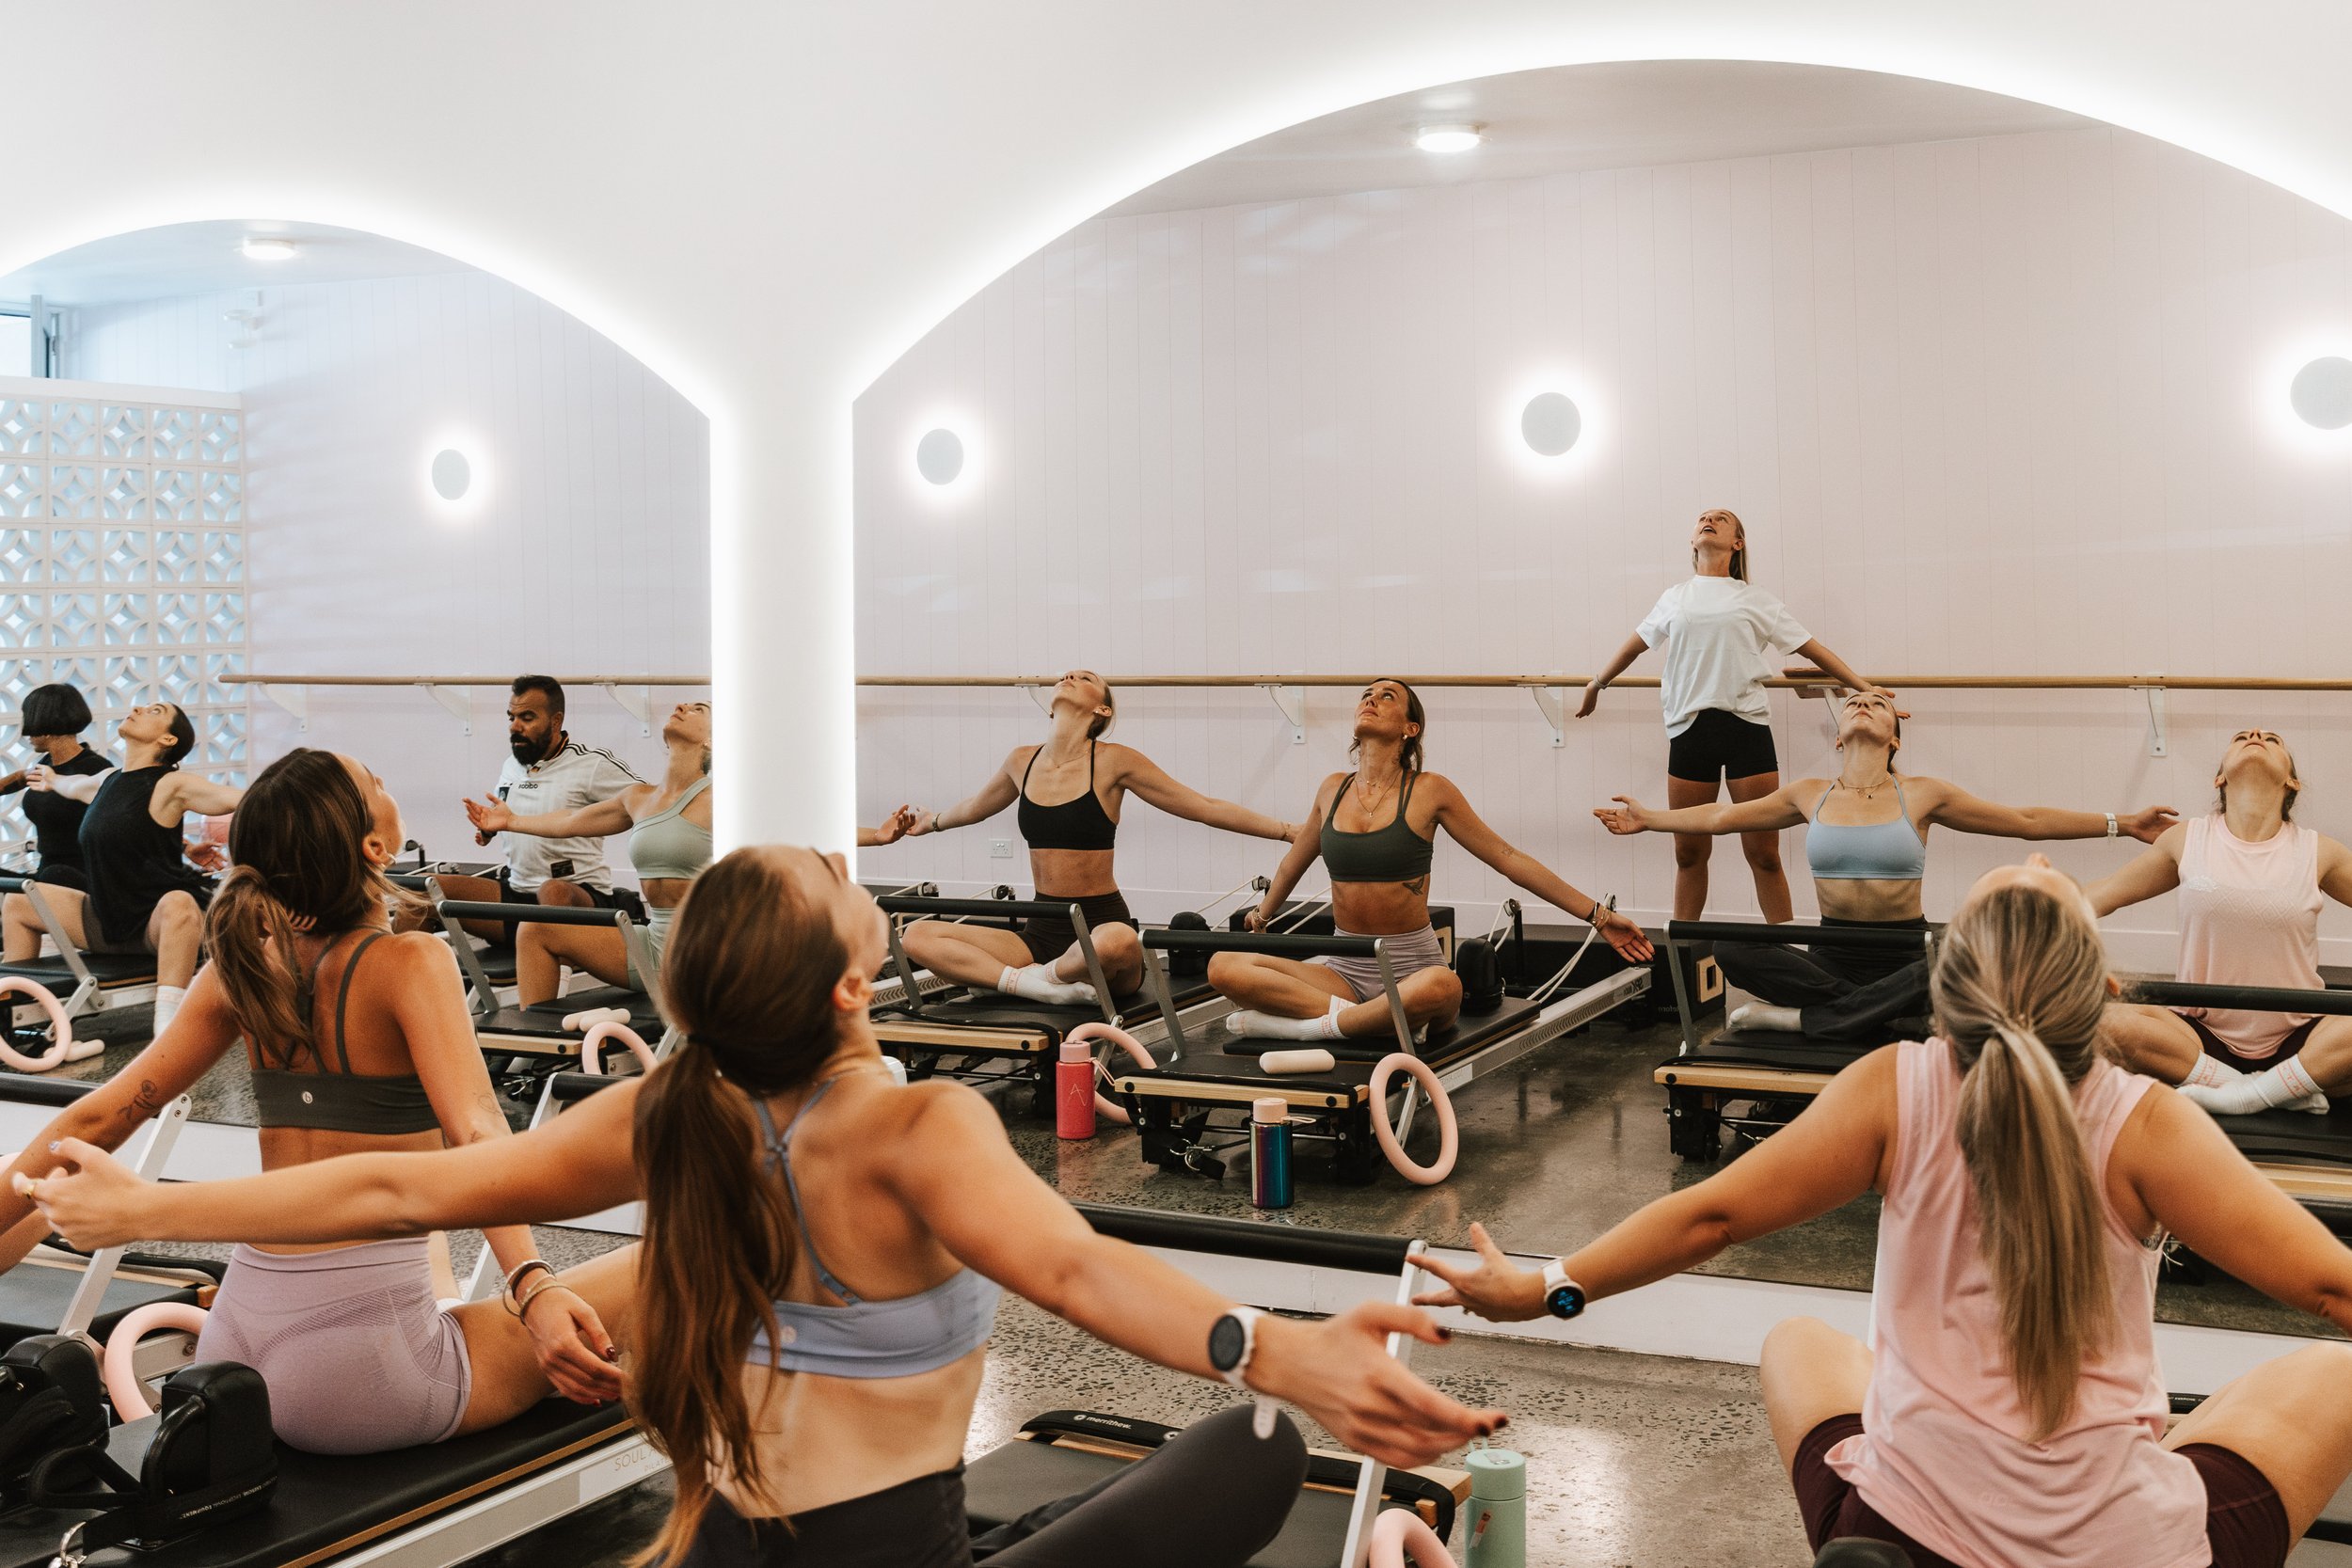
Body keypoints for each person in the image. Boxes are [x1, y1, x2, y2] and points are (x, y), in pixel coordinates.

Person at [18, 844, 1502, 1566]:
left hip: (723, 1542)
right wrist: (1279, 1349)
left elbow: (408, 1180)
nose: (850, 874)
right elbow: (1073, 1263)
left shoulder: (677, 1106)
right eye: (836, 885)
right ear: (855, 985)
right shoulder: (916, 1126)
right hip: (884, 1554)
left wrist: (145, 1207)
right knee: (1261, 1451)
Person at [1414, 855, 2352, 1568]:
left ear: (1943, 994)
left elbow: (1710, 1218)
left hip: (1906, 1532)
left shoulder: (1893, 1087)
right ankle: (2132, 1465)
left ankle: (1919, 1485)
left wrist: (1544, 1288)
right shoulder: (2147, 1122)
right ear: (2105, 993)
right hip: (2122, 1545)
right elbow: (2330, 1287)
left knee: (1797, 1341)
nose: (2034, 860)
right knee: (2329, 1374)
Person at [0, 747, 628, 1453]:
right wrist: (534, 1285)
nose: (386, 782)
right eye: (376, 781)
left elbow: (97, 1114)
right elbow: (480, 1137)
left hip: (238, 1339)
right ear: (375, 847)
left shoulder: (240, 968)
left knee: (425, 1233)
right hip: (362, 1372)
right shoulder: (411, 961)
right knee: (669, 1265)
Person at [1596, 689, 2173, 1044]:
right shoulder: (1809, 793)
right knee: (1732, 947)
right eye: (1854, 702)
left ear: (1894, 738)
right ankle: (1880, 1015)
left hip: (1906, 954)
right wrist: (1650, 819)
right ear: (1839, 735)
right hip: (1832, 953)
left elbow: (2024, 819)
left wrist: (2123, 822)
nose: (1863, 705)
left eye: (1878, 703)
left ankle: (1808, 1020)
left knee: (1966, 954)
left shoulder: (1922, 794)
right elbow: (1722, 817)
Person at [1213, 679, 1652, 1042]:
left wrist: (1598, 916)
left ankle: (1312, 1027)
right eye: (1367, 694)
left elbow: (1507, 857)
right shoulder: (1332, 789)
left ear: (1410, 728)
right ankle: (1373, 1024)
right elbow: (1293, 863)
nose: (1371, 699)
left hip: (1412, 970)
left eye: (1387, 696)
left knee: (1444, 985)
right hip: (1345, 968)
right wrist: (1262, 915)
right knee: (1224, 965)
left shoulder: (1429, 790)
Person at [897, 670, 1295, 1003]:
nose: (1070, 676)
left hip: (1100, 927)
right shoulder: (1021, 761)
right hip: (1041, 931)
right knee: (917, 935)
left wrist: (1289, 832)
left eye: (1085, 678)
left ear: (1102, 709)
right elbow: (974, 807)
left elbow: (1205, 807)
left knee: (1118, 941)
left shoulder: (1114, 761)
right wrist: (932, 821)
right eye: (1066, 674)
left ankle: (1036, 979)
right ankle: (1038, 986)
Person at [1578, 509, 1888, 924]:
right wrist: (1596, 684)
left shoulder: (1755, 599)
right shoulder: (1675, 597)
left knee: (1763, 854)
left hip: (1747, 730)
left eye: (1721, 519)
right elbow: (1634, 645)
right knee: (1689, 853)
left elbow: (1811, 648)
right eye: (1702, 518)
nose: (1709, 520)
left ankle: (1783, 953)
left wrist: (1864, 687)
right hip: (1690, 732)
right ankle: (1688, 954)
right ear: (1693, 541)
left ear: (1738, 543)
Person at [2089, 728, 2352, 1116]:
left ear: (2291, 781)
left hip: (2303, 1039)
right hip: (2196, 1038)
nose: (2255, 735)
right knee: (2099, 1021)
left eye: (2272, 739)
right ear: (2220, 778)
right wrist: (2025, 898)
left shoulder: (2320, 850)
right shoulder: (2186, 839)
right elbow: (2101, 895)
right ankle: (2271, 1091)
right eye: (2240, 737)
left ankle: (2246, 1095)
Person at [0, 702, 243, 1033]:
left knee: (179, 902)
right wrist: (51, 778)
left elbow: (241, 799)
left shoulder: (172, 784)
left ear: (168, 740)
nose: (139, 708)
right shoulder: (108, 780)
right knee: (20, 902)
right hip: (107, 921)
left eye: (156, 711)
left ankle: (168, 1026)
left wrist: (294, 793)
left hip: (157, 926)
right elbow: (72, 786)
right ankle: (12, 1015)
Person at [464, 702, 714, 1006]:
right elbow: (570, 820)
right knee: (534, 930)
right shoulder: (639, 797)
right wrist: (511, 821)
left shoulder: (719, 800)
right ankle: (537, 1035)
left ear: (713, 739)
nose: (682, 706)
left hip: (702, 950)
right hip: (652, 943)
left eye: (699, 709)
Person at [433, 675, 644, 942]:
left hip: (578, 896)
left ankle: (551, 953)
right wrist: (489, 831)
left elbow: (648, 800)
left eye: (527, 718)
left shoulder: (591, 765)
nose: (515, 726)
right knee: (425, 889)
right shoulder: (512, 765)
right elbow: (510, 814)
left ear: (556, 721)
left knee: (553, 890)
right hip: (517, 895)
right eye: (511, 717)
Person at [0, 683, 111, 888]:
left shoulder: (95, 769)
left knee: (54, 875)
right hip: (46, 875)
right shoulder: (47, 765)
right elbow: (22, 777)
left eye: (29, 718)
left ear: (45, 722)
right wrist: (19, 777)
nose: (26, 733)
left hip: (77, 880)